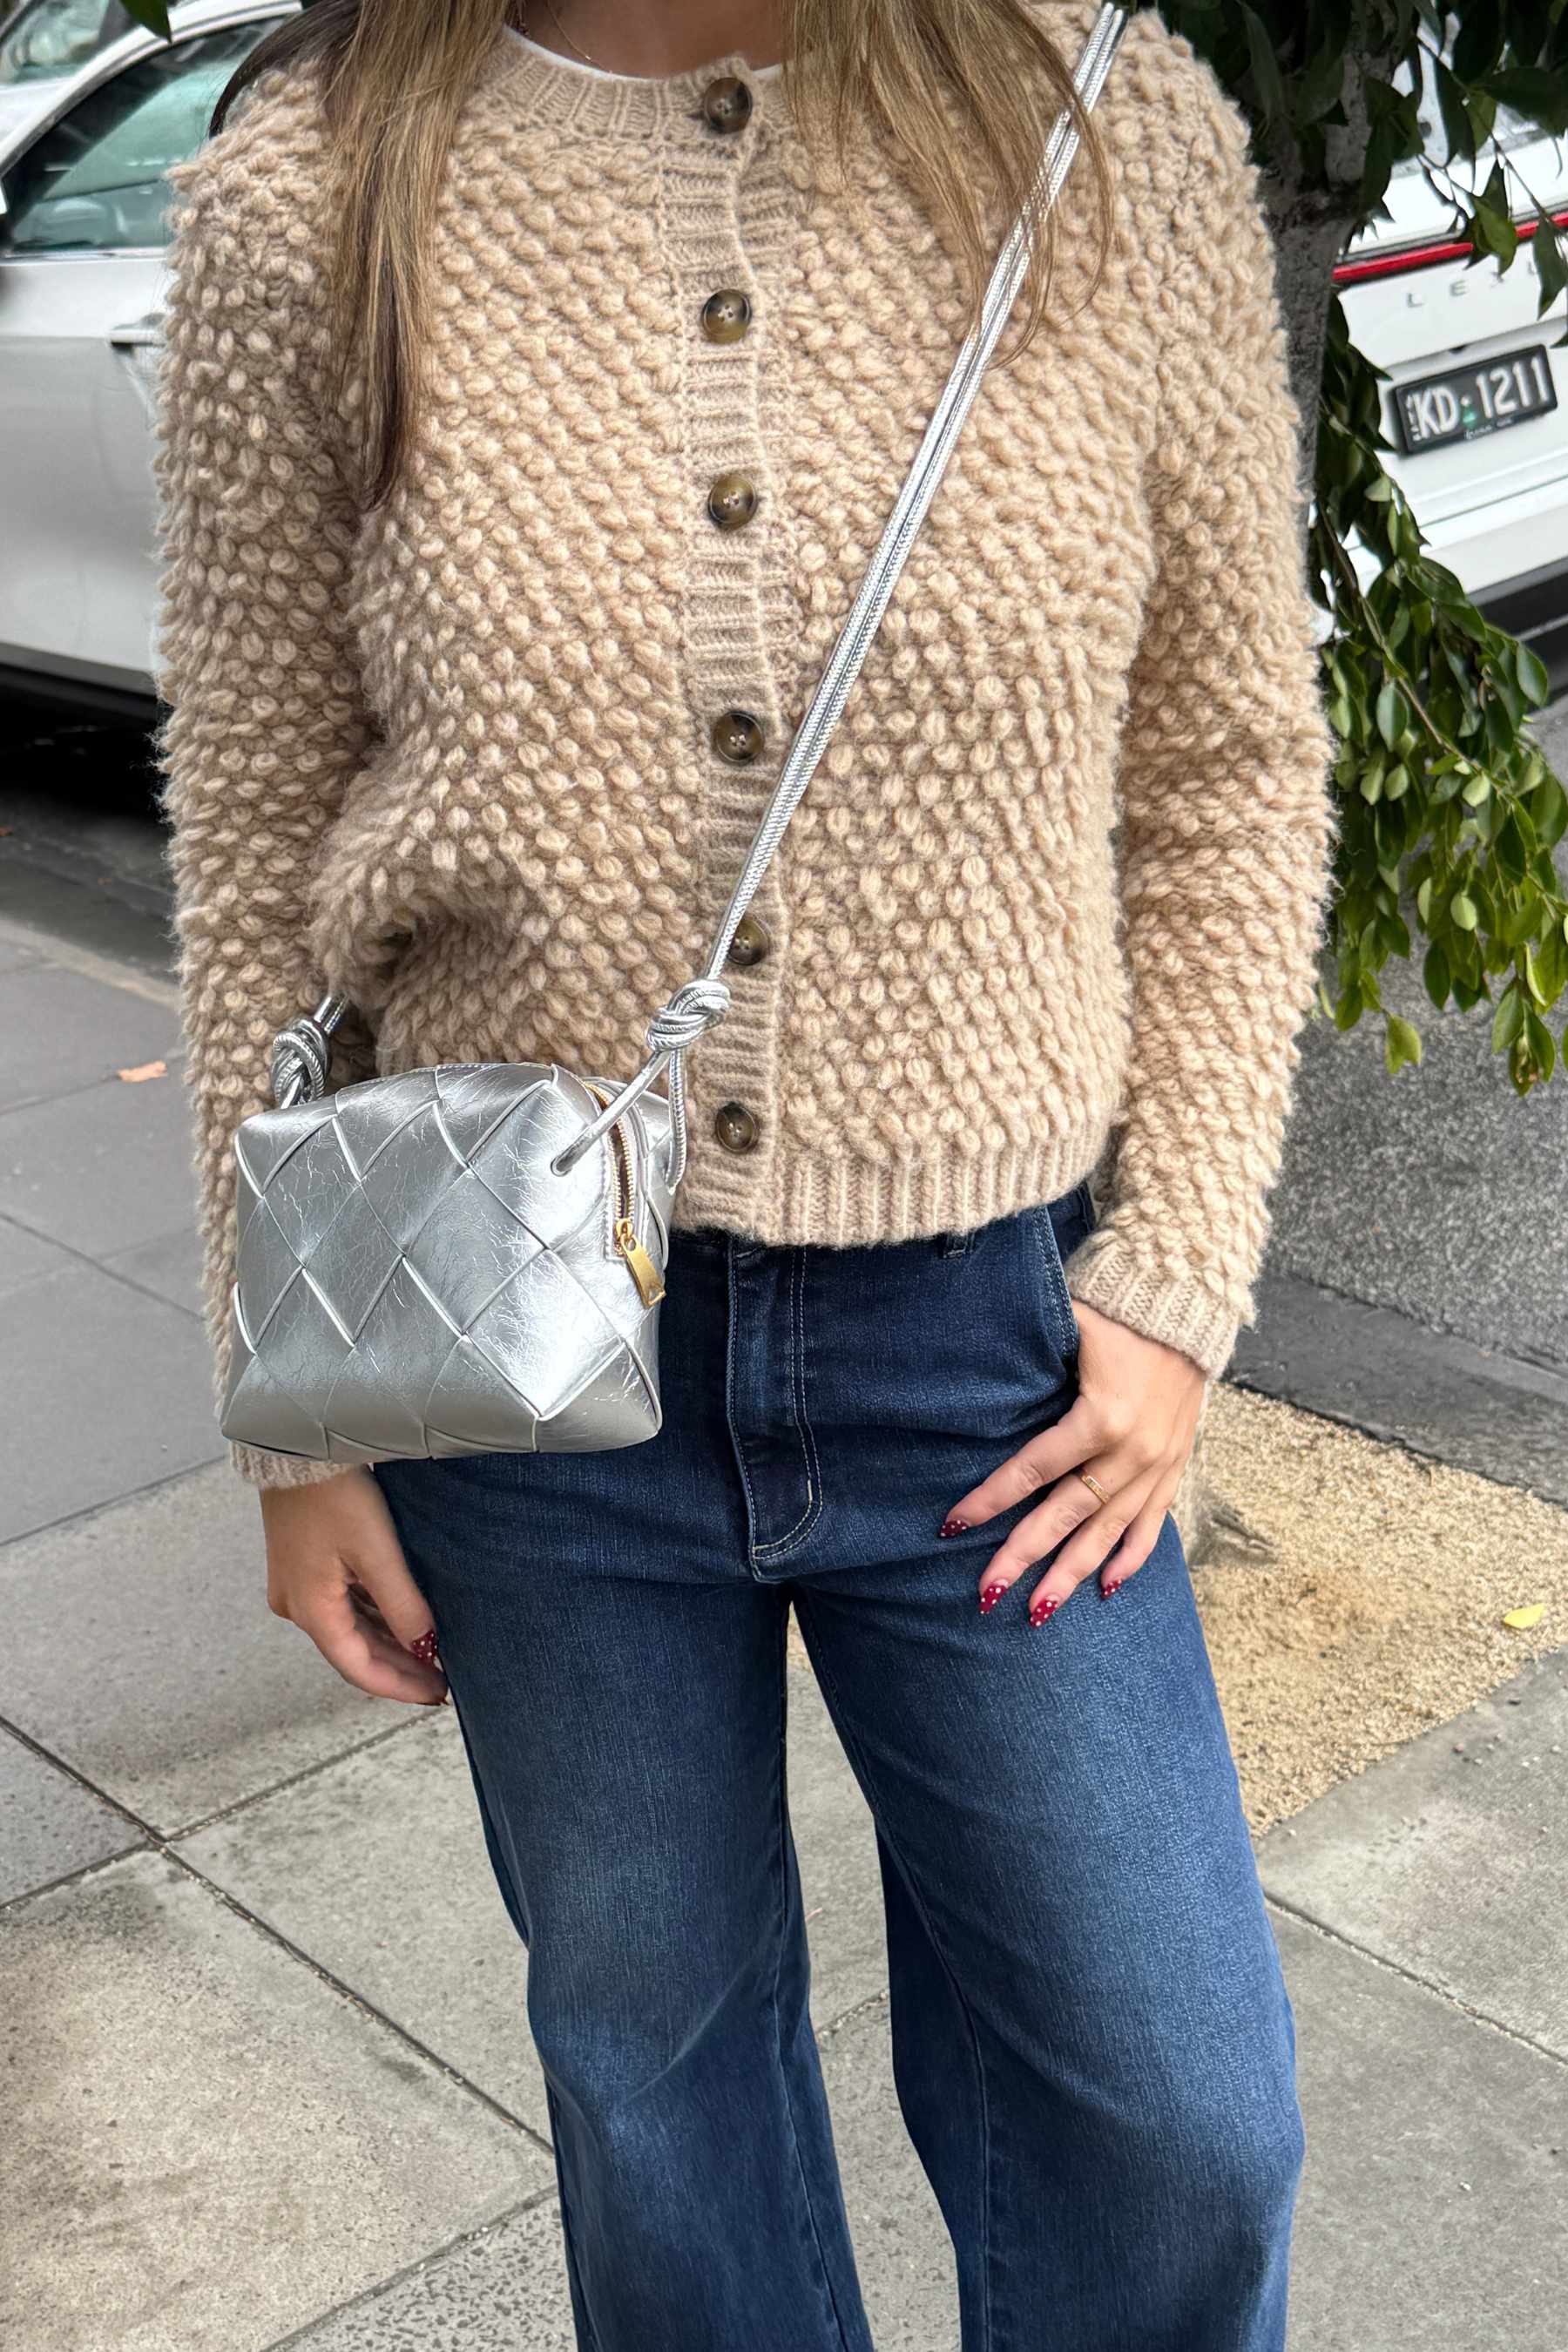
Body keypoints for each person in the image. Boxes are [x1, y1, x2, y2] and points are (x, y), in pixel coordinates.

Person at [151, 0, 1338, 2342]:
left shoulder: (1103, 122)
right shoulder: (318, 180)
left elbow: (1227, 757)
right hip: (515, 1354)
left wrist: (1181, 1271)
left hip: (999, 1363)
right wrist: (290, 1408)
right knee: (658, 2093)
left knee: (1181, 2118)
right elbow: (261, 827)